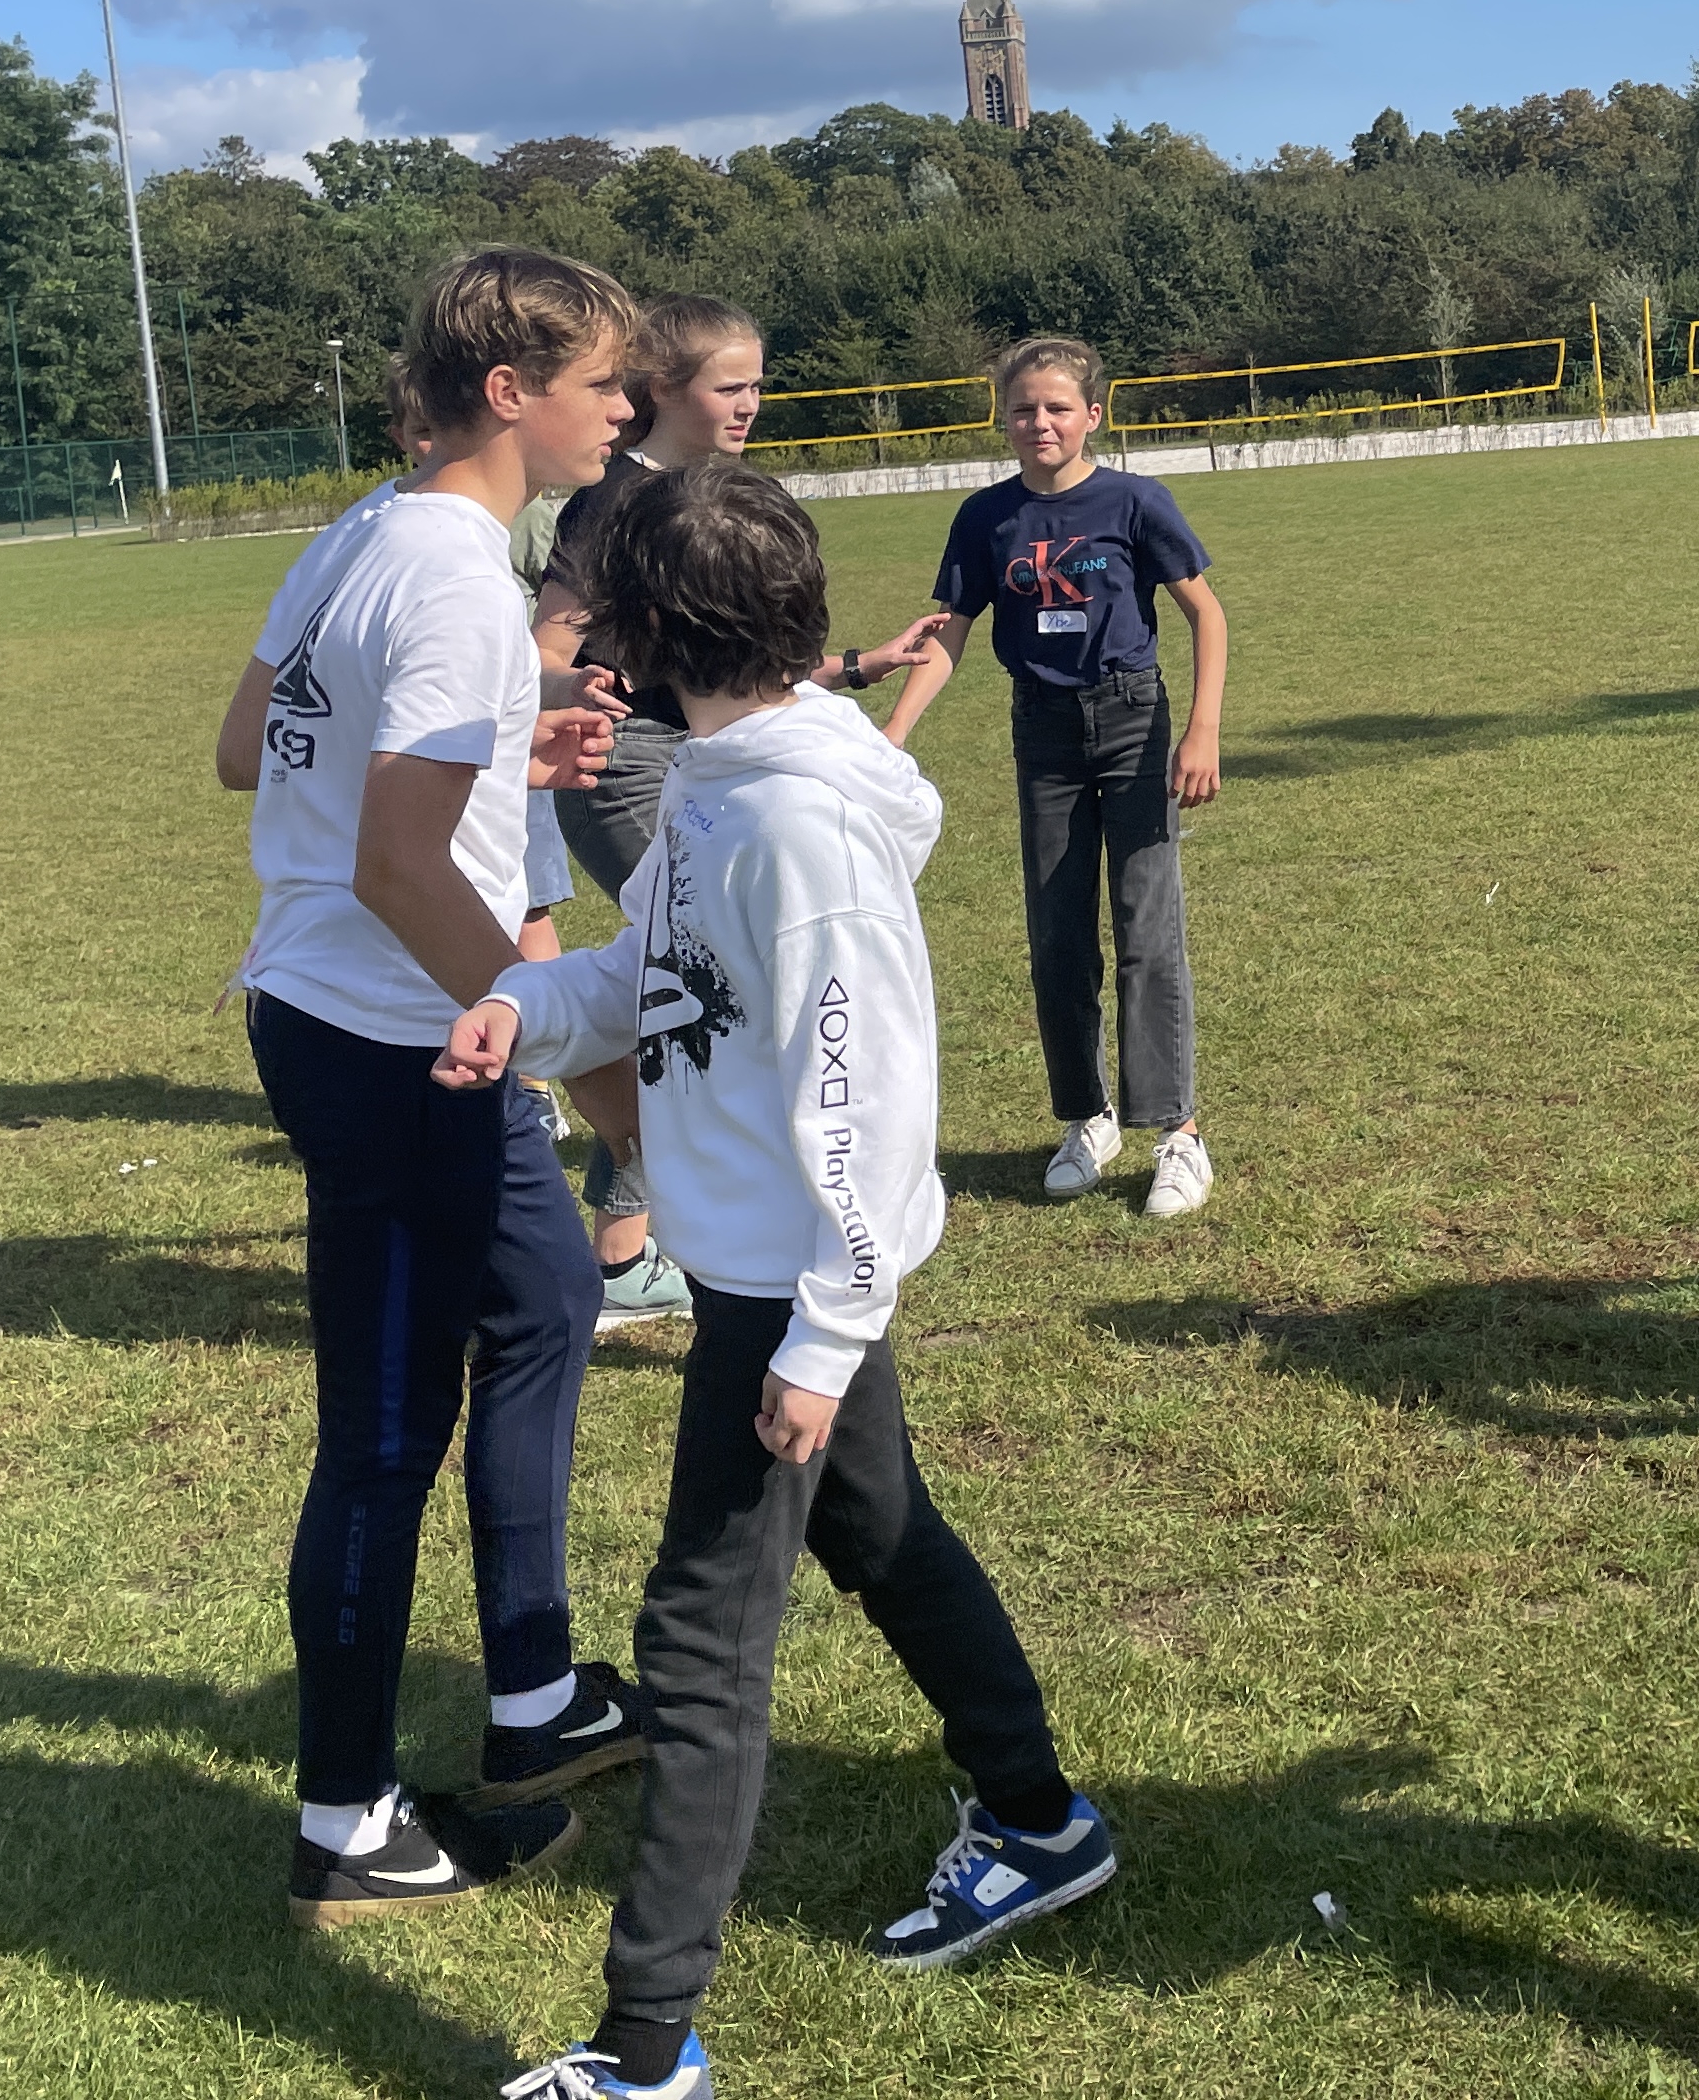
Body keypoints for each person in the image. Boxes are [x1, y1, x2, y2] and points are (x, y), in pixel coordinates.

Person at [458, 462, 1113, 2100]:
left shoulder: (798, 821)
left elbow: (875, 1104)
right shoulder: (719, 776)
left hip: (784, 1289)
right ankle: (1039, 1817)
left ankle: (644, 2050)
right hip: (768, 1269)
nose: (575, 633)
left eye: (592, 609)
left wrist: (825, 1332)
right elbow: (654, 968)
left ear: (651, 630)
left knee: (697, 1643)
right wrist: (528, 1013)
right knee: (885, 1538)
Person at [211, 247, 654, 1926]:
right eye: (602, 381)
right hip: (387, 1040)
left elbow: (257, 748)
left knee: (547, 1296)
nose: (624, 408)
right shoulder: (460, 575)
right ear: (510, 391)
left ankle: (532, 1697)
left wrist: (496, 744)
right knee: (384, 1439)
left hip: (357, 1013)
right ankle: (346, 1817)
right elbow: (396, 861)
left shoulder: (364, 531)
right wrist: (565, 1033)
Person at [882, 335, 1230, 1216]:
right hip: (1042, 733)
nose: (1040, 422)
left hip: (1133, 721)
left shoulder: (1135, 501)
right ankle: (1087, 1116)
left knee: (1148, 929)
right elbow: (952, 631)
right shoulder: (986, 517)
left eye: (1058, 407)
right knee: (1058, 938)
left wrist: (1202, 731)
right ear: (1003, 419)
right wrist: (892, 733)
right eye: (1023, 409)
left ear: (1092, 416)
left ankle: (1179, 1134)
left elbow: (1206, 614)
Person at [534, 296, 768, 1324]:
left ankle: (646, 1240)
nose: (749, 404)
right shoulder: (615, 502)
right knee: (696, 978)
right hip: (624, 766)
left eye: (757, 384)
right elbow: (547, 649)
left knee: (706, 978)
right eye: (730, 386)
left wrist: (852, 668)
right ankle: (629, 1257)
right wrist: (576, 691)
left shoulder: (724, 490)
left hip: (701, 759)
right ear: (664, 388)